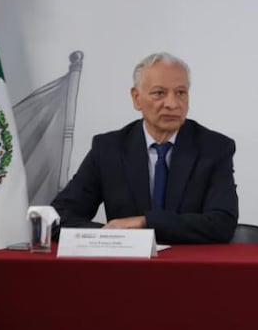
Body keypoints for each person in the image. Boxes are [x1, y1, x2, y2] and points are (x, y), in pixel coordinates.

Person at [52, 52, 238, 244]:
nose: (172, 104)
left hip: (189, 267)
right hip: (127, 268)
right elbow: (58, 217)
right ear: (136, 98)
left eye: (181, 93)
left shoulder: (214, 148)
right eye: (159, 93)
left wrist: (144, 223)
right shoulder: (109, 149)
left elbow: (222, 223)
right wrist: (113, 235)